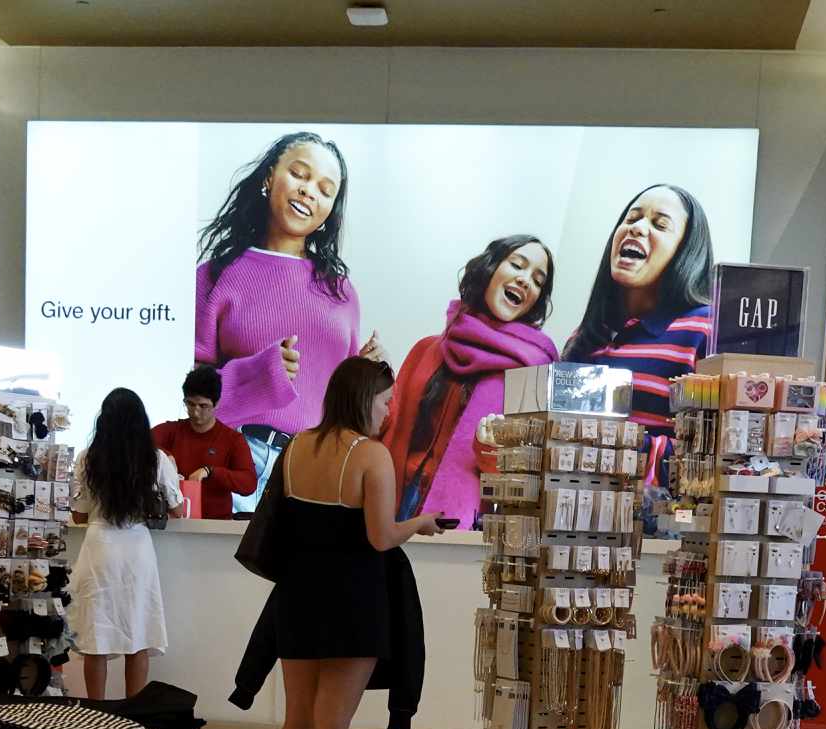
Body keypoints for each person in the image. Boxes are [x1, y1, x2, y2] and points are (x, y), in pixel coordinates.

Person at [267, 357, 444, 729]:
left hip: (297, 595)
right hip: (352, 601)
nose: (390, 411)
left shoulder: (298, 446)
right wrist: (422, 523)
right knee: (332, 722)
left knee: (298, 715)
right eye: (385, 401)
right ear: (364, 399)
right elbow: (381, 535)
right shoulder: (371, 456)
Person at [194, 131, 385, 513]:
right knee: (223, 574)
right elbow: (190, 394)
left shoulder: (340, 290)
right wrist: (258, 373)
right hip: (237, 458)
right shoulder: (215, 275)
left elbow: (344, 409)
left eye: (325, 189)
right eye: (299, 174)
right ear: (269, 178)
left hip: (316, 467)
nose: (308, 191)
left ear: (331, 209)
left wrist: (368, 375)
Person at [381, 235, 558, 525]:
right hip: (395, 502)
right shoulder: (428, 349)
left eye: (538, 281)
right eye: (517, 265)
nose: (526, 281)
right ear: (489, 267)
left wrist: (489, 450)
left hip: (461, 523)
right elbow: (388, 427)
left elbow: (527, 478)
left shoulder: (532, 372)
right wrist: (374, 386)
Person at [561, 184, 716, 510]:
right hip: (572, 523)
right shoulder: (584, 336)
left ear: (685, 252)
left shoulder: (704, 330)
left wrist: (616, 450)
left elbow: (715, 456)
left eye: (660, 225)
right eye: (631, 218)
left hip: (657, 537)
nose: (636, 227)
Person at [69, 388, 185, 700]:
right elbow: (177, 509)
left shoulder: (87, 459)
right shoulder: (155, 459)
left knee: (96, 637)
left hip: (99, 549)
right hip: (137, 549)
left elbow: (79, 515)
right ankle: (134, 718)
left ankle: (97, 713)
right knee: (139, 634)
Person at [151, 365, 258, 518]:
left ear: (217, 403)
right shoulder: (172, 431)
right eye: (190, 404)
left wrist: (211, 472)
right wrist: (164, 456)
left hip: (216, 530)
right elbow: (140, 441)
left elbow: (249, 484)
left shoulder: (233, 440)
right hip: (177, 528)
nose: (195, 411)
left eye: (203, 406)